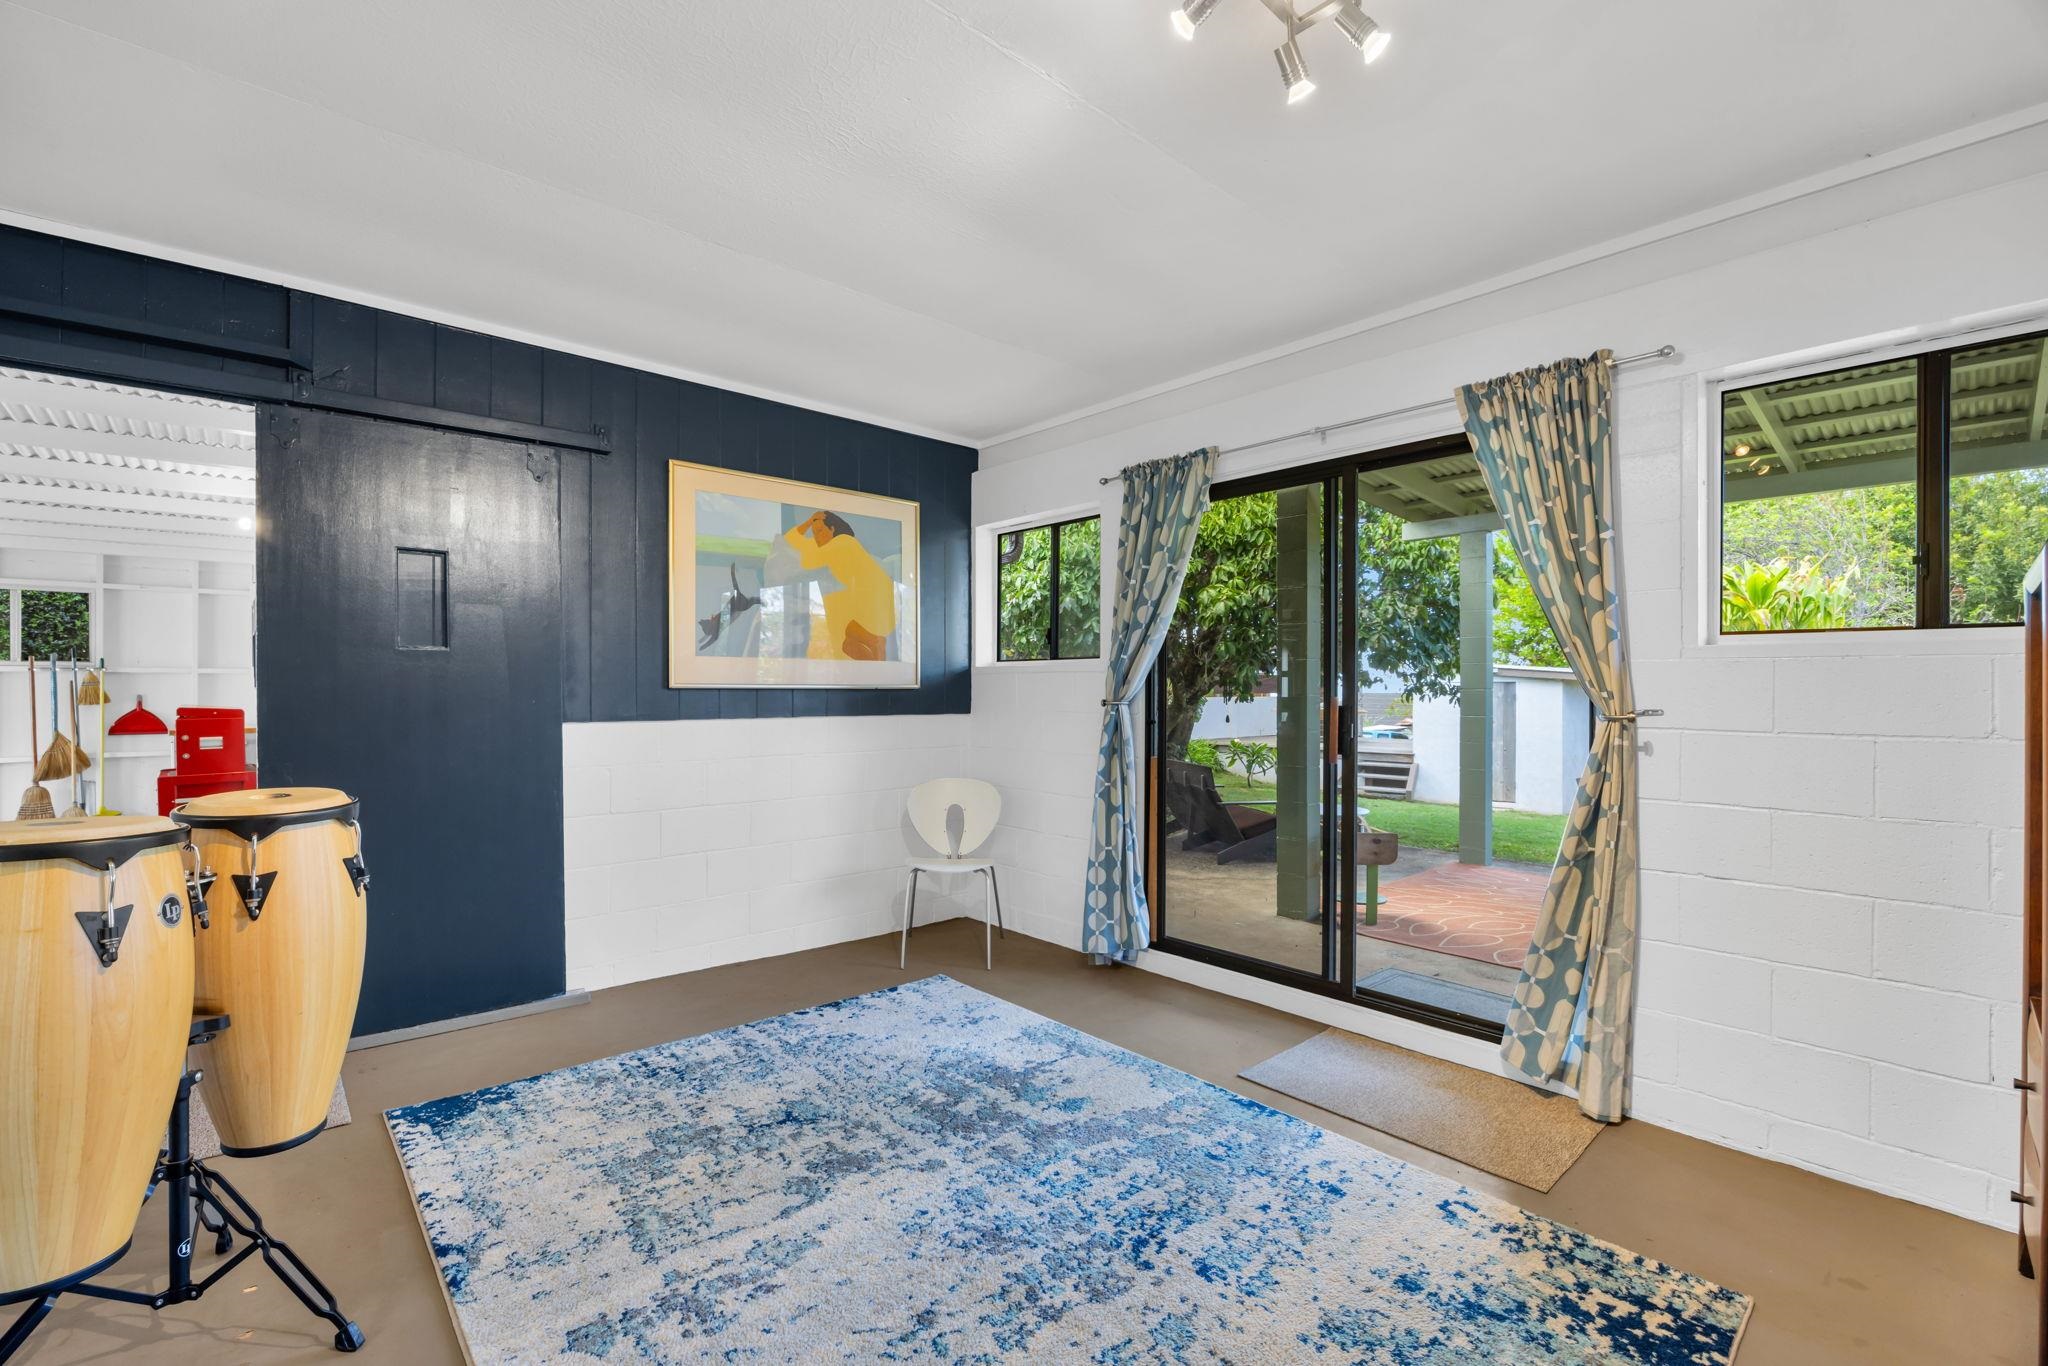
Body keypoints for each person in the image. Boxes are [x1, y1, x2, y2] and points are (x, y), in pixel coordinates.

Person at [784, 511, 895, 661]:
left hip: (876, 602)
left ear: (832, 529)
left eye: (820, 531)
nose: (816, 537)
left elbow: (807, 561)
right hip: (866, 601)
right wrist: (810, 521)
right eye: (814, 533)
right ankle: (876, 655)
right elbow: (790, 538)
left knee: (842, 636)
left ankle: (876, 648)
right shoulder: (827, 545)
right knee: (847, 645)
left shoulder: (843, 542)